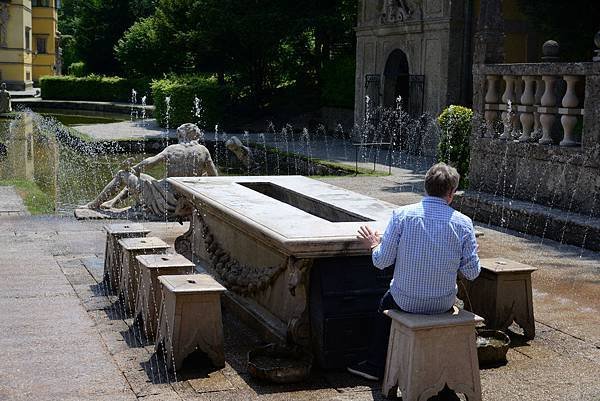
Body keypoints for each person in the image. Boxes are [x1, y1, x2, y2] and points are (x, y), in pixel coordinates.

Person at [347, 162, 481, 381]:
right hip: (442, 303)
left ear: (425, 186)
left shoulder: (402, 216)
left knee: (385, 303)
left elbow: (381, 261)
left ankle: (374, 365)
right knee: (453, 301)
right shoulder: (463, 224)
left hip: (405, 301)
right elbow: (472, 273)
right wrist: (470, 253)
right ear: (451, 193)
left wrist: (373, 244)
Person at [82, 123, 218, 219]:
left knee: (123, 175)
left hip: (164, 202)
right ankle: (112, 202)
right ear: (195, 136)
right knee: (144, 178)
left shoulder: (172, 149)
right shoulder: (203, 151)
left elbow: (149, 162)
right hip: (186, 202)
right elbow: (215, 178)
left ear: (181, 135)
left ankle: (94, 205)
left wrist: (133, 169)